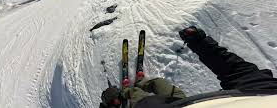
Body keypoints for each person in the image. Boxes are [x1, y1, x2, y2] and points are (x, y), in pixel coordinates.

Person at [99, 26, 277, 108]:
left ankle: (129, 94)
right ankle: (137, 86)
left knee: (140, 95)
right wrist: (202, 44)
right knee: (154, 84)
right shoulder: (268, 93)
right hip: (179, 102)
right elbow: (241, 73)